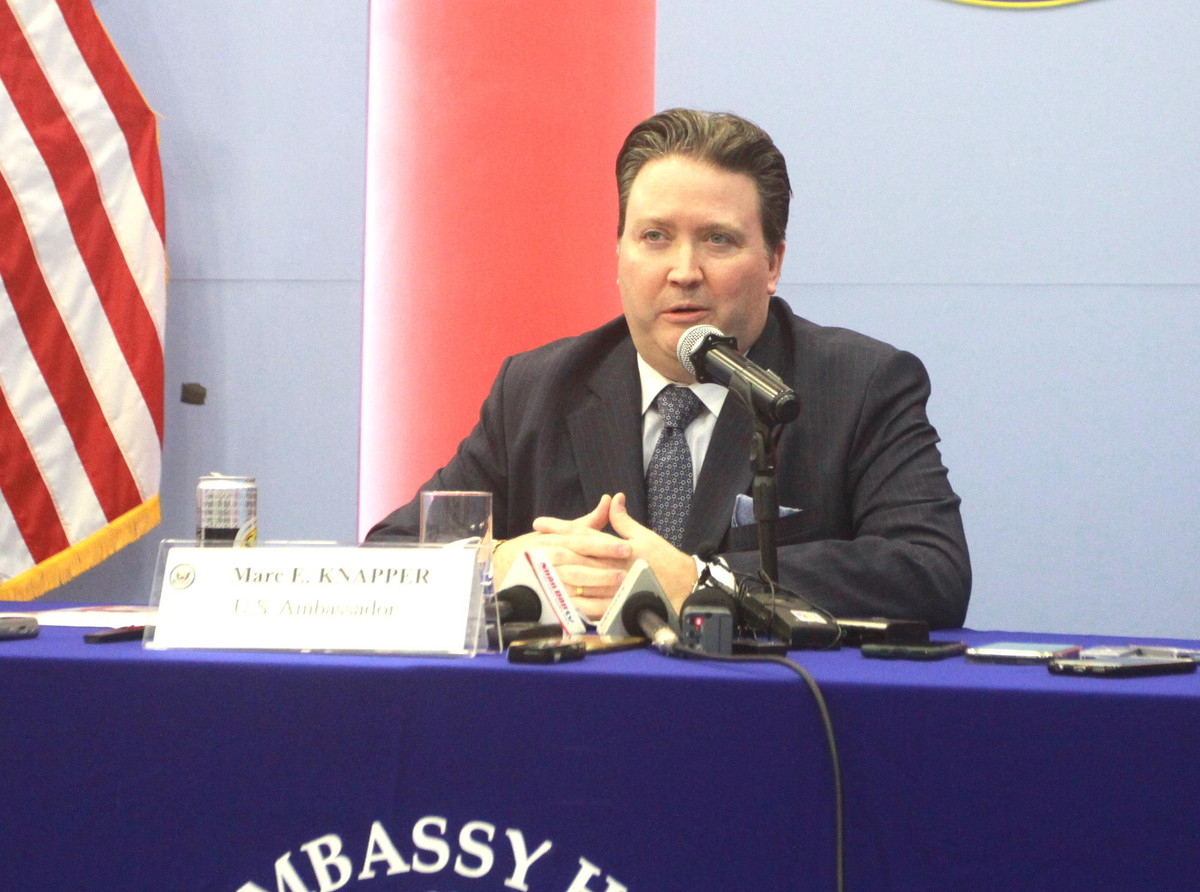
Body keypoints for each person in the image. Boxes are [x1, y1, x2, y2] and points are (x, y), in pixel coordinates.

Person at [367, 108, 971, 628]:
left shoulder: (859, 384)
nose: (683, 271)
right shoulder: (536, 390)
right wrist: (500, 562)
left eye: (718, 240)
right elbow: (388, 556)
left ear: (773, 263)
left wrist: (704, 581)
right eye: (655, 237)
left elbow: (931, 570)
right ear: (619, 255)